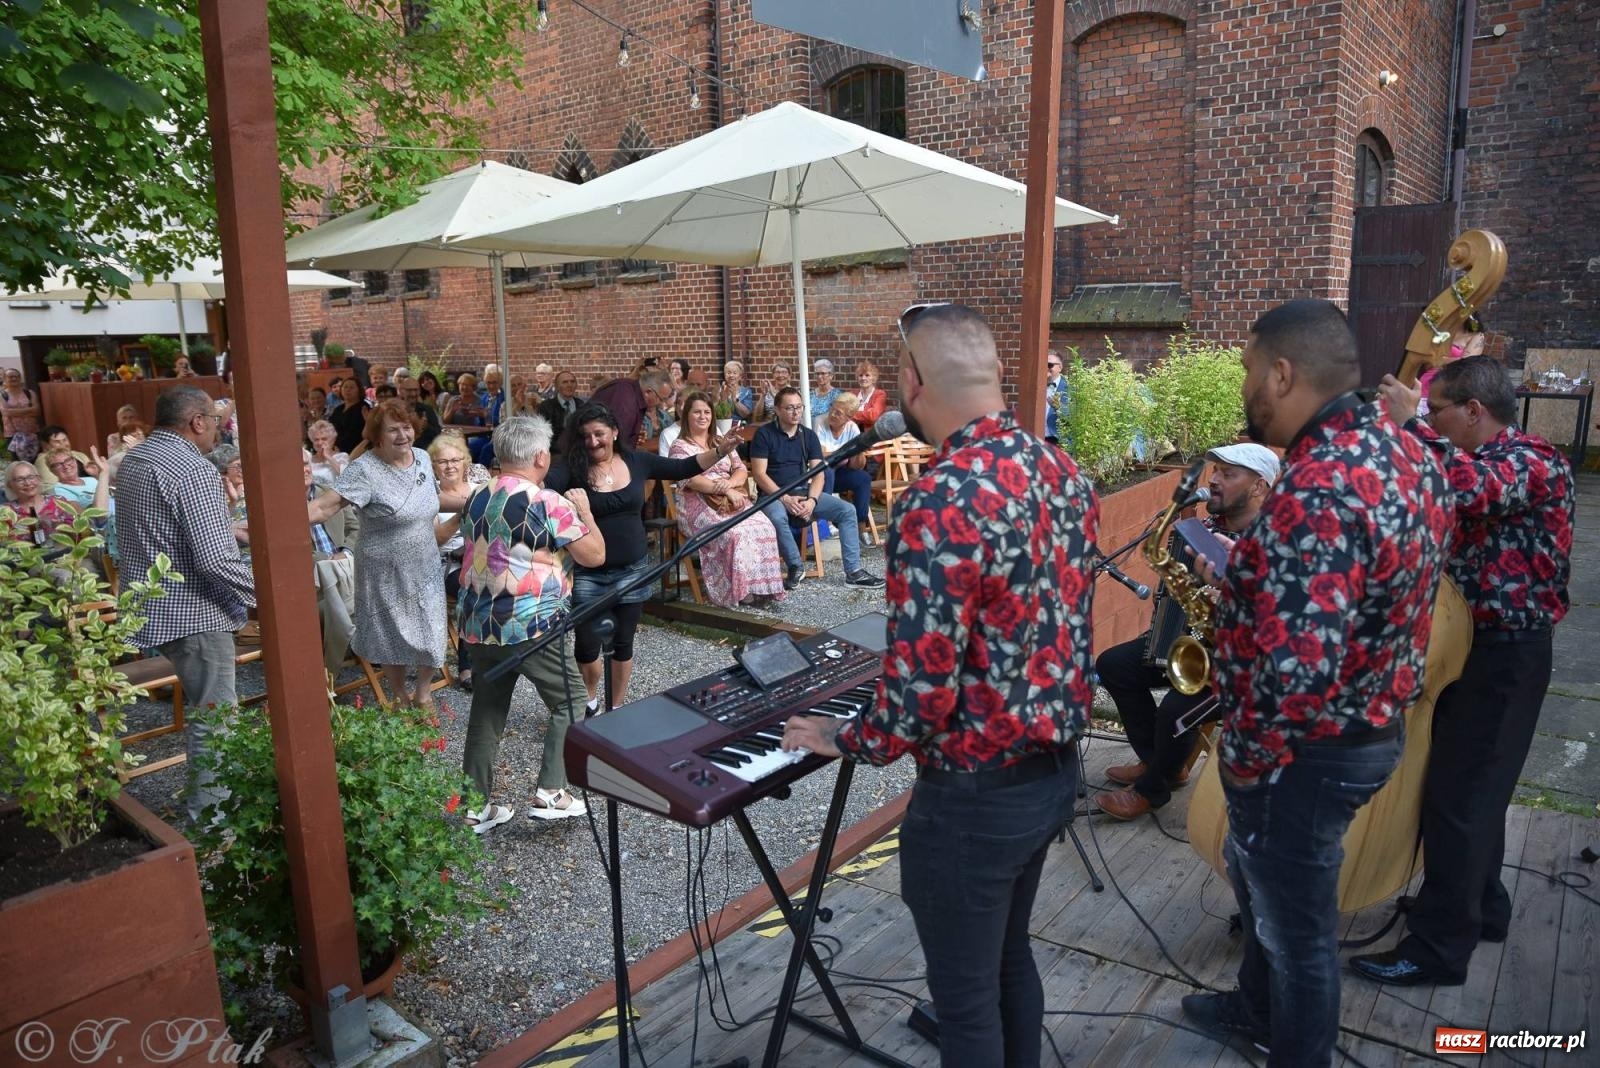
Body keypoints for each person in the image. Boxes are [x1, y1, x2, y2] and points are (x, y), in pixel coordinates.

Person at [781, 303, 1097, 1067]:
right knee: (1009, 961)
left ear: (913, 382)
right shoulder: (1060, 469)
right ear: (994, 373)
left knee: (966, 1001)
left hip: (974, 800)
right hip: (1052, 772)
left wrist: (844, 737)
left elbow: (921, 694)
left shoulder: (940, 497)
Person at [1180, 299, 1452, 1066]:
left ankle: (1290, 1041)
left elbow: (1298, 674)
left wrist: (1246, 763)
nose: (1245, 387)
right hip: (1370, 726)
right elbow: (1375, 582)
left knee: (1298, 935)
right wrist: (1247, 575)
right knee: (1266, 890)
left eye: (1247, 371)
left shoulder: (1320, 487)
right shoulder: (1409, 453)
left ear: (1281, 373)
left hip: (1307, 751)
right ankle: (1253, 1006)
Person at [1352, 356, 1574, 987]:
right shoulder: (1471, 460)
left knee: (1460, 800)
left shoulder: (1533, 459)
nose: (1430, 420)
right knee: (1474, 793)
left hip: (1505, 655)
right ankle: (1482, 909)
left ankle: (1437, 951)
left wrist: (1409, 425)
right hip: (1470, 649)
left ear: (1473, 410)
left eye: (1436, 410)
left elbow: (1472, 489)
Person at [1091, 443, 1279, 821]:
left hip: (1241, 665)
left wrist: (1233, 601)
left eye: (1228, 474)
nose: (1215, 480)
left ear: (1259, 486)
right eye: (1216, 471)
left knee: (1176, 709)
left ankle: (1152, 788)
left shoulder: (1277, 544)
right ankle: (1162, 763)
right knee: (1113, 664)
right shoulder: (1204, 529)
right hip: (1191, 645)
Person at [115, 386, 257, 822]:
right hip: (194, 613)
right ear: (197, 422)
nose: (218, 429)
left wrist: (229, 533)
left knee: (207, 715)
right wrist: (266, 596)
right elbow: (214, 560)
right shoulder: (194, 469)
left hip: (153, 607)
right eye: (215, 421)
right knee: (215, 721)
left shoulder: (135, 459)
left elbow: (161, 533)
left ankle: (207, 808)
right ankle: (210, 824)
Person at [456, 416, 605, 828]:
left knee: (487, 709)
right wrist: (585, 513)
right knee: (571, 700)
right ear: (541, 457)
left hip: (479, 623)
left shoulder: (476, 496)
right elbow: (595, 555)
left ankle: (474, 807)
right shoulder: (547, 502)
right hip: (531, 623)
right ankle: (552, 791)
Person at [547, 402, 740, 710]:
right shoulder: (571, 468)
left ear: (614, 432)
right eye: (585, 436)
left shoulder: (638, 461)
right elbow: (543, 487)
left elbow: (683, 468)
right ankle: (590, 701)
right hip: (588, 573)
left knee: (623, 643)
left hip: (633, 570)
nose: (593, 442)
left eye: (599, 434)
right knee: (587, 646)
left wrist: (721, 451)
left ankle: (616, 708)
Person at [308, 399, 468, 711]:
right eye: (393, 429)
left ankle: (423, 693)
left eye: (407, 427)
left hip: (425, 563)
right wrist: (280, 523)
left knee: (432, 629)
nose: (402, 435)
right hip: (383, 570)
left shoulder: (422, 458)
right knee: (390, 635)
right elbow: (327, 506)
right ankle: (399, 696)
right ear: (377, 435)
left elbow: (431, 499)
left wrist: (472, 501)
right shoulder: (364, 469)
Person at [750, 386, 884, 591]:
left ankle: (854, 572)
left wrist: (812, 501)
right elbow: (759, 474)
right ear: (777, 410)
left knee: (847, 511)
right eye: (789, 408)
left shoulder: (808, 435)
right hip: (772, 495)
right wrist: (785, 498)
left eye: (799, 407)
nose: (796, 412)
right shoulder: (764, 434)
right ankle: (795, 566)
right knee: (777, 517)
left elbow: (819, 473)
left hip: (803, 492)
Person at [670, 391, 785, 608]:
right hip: (697, 505)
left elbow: (741, 469)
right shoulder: (680, 446)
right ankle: (741, 592)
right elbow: (692, 480)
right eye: (697, 412)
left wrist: (730, 485)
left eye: (707, 412)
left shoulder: (719, 441)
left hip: (730, 497)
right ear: (687, 416)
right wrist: (726, 491)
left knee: (765, 526)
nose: (703, 416)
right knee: (734, 534)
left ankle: (762, 587)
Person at [430, 433, 489, 689]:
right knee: (473, 588)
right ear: (433, 466)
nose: (450, 466)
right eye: (443, 461)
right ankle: (467, 666)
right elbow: (437, 539)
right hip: (448, 564)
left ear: (465, 462)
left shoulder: (480, 488)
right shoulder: (430, 495)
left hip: (484, 558)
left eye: (455, 460)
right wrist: (462, 513)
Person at [815, 392, 876, 547]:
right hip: (819, 475)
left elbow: (855, 466)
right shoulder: (820, 421)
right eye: (832, 408)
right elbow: (821, 456)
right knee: (828, 469)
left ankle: (860, 527)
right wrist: (845, 452)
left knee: (863, 478)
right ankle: (827, 523)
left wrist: (859, 450)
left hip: (840, 474)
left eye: (838, 413)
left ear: (849, 418)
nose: (832, 414)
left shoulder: (852, 428)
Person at [587, 360, 669, 448]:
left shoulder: (632, 392)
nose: (662, 403)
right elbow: (620, 443)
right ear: (648, 392)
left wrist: (635, 435)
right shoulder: (626, 401)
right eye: (661, 399)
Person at [3, 460, 75, 541]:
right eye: (20, 480)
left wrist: (58, 526)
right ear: (10, 485)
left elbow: (76, 533)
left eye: (31, 477)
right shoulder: (5, 511)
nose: (27, 483)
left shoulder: (58, 502)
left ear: (39, 479)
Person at [393, 373, 442, 450]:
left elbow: (438, 434)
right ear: (401, 391)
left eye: (415, 390)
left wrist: (426, 426)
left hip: (423, 451)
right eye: (409, 390)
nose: (413, 394)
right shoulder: (393, 410)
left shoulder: (427, 409)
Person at [2, 368, 42, 462]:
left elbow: (37, 411)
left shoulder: (29, 393)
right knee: (18, 463)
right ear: (5, 379)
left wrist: (13, 411)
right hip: (12, 434)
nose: (14, 378)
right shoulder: (2, 395)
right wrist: (29, 410)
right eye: (10, 377)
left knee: (36, 460)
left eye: (16, 376)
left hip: (32, 432)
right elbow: (6, 412)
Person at [536, 371, 584, 441]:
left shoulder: (581, 405)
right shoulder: (546, 407)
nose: (569, 385)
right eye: (565, 382)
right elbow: (541, 434)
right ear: (557, 386)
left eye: (572, 382)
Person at [329, 377, 369, 455]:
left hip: (356, 450)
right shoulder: (338, 409)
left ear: (359, 390)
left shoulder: (363, 407)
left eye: (351, 387)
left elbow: (355, 431)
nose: (348, 390)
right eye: (345, 387)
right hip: (335, 449)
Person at [306, 419, 349, 485]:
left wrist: (328, 456)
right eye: (316, 439)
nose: (320, 443)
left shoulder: (341, 457)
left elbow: (347, 478)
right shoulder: (308, 459)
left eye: (324, 439)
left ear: (332, 440)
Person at [850, 361, 887, 431]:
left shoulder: (880, 394)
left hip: (870, 433)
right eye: (860, 375)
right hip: (851, 431)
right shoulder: (853, 394)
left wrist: (852, 414)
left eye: (867, 375)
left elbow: (873, 416)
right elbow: (844, 413)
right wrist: (866, 413)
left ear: (873, 378)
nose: (863, 378)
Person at [1044, 351, 1068, 443]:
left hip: (1057, 441)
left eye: (1049, 365)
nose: (1046, 368)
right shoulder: (1035, 386)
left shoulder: (1070, 389)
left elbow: (1075, 417)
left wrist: (1059, 407)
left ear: (1060, 368)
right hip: (1036, 439)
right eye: (1044, 365)